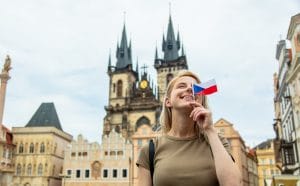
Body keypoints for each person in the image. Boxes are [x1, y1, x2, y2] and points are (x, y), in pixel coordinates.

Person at [136, 70, 242, 186]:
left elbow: (233, 184)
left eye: (195, 88)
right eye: (182, 86)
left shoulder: (217, 141)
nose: (189, 89)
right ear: (168, 102)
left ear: (201, 100)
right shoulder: (149, 150)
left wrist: (210, 130)